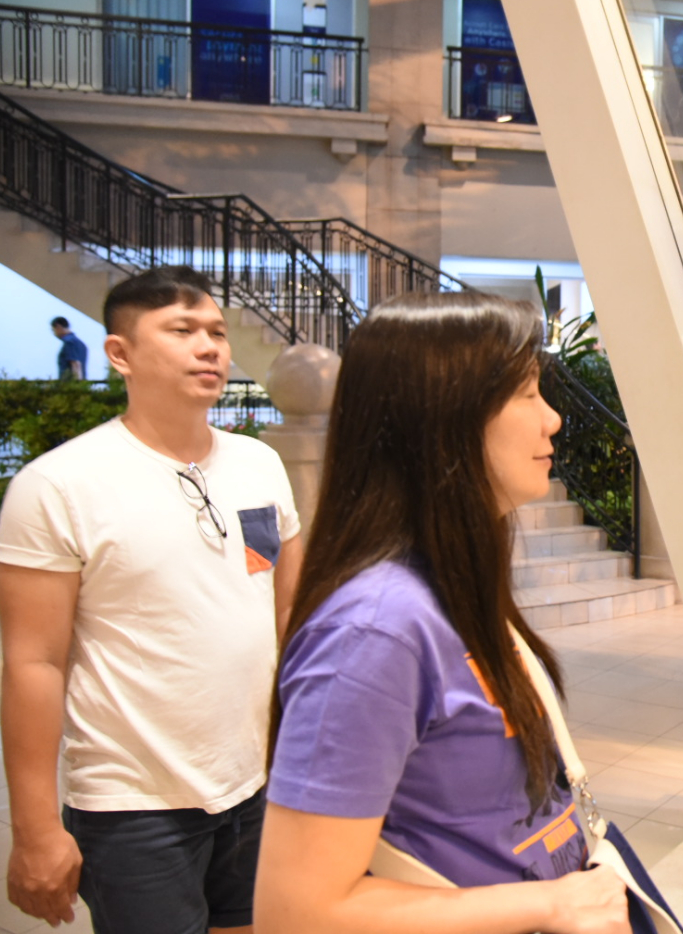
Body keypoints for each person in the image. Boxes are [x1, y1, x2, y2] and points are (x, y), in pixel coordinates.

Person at [255, 291, 629, 934]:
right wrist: (547, 903)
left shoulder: (450, 585)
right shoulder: (376, 630)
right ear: (445, 415)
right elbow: (297, 912)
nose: (554, 420)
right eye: (528, 393)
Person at [0, 267, 303, 933]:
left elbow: (290, 613)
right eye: (183, 330)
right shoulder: (58, 485)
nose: (210, 347)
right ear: (120, 354)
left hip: (255, 784)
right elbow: (33, 664)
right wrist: (36, 831)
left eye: (218, 332)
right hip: (133, 803)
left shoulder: (259, 464)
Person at [50, 316, 88, 381]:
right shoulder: (81, 344)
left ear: (58, 326)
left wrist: (76, 386)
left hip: (70, 385)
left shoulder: (70, 342)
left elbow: (75, 364)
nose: (54, 333)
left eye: (53, 330)